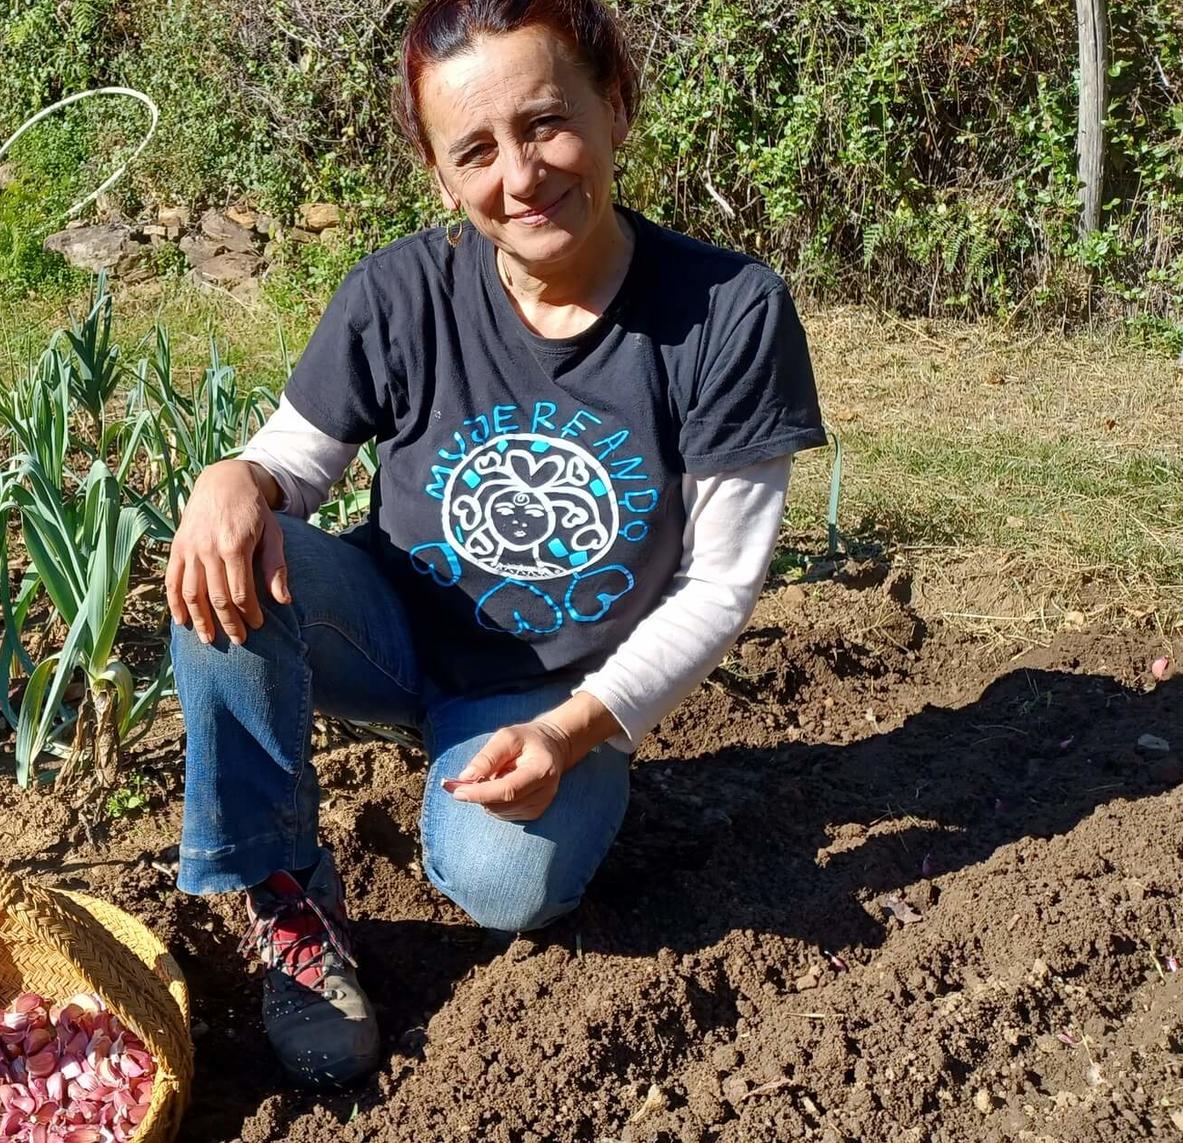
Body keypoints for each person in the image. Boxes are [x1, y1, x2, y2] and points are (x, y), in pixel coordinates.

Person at [162, 0, 827, 1088]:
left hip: (553, 688)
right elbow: (296, 452)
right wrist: (233, 479)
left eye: (546, 124)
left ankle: (515, 768)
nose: (519, 175)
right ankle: (284, 894)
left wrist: (569, 735)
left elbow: (717, 586)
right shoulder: (399, 291)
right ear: (437, 172)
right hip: (389, 630)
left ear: (613, 109)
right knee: (224, 563)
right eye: (475, 149)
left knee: (504, 886)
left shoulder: (724, 312)